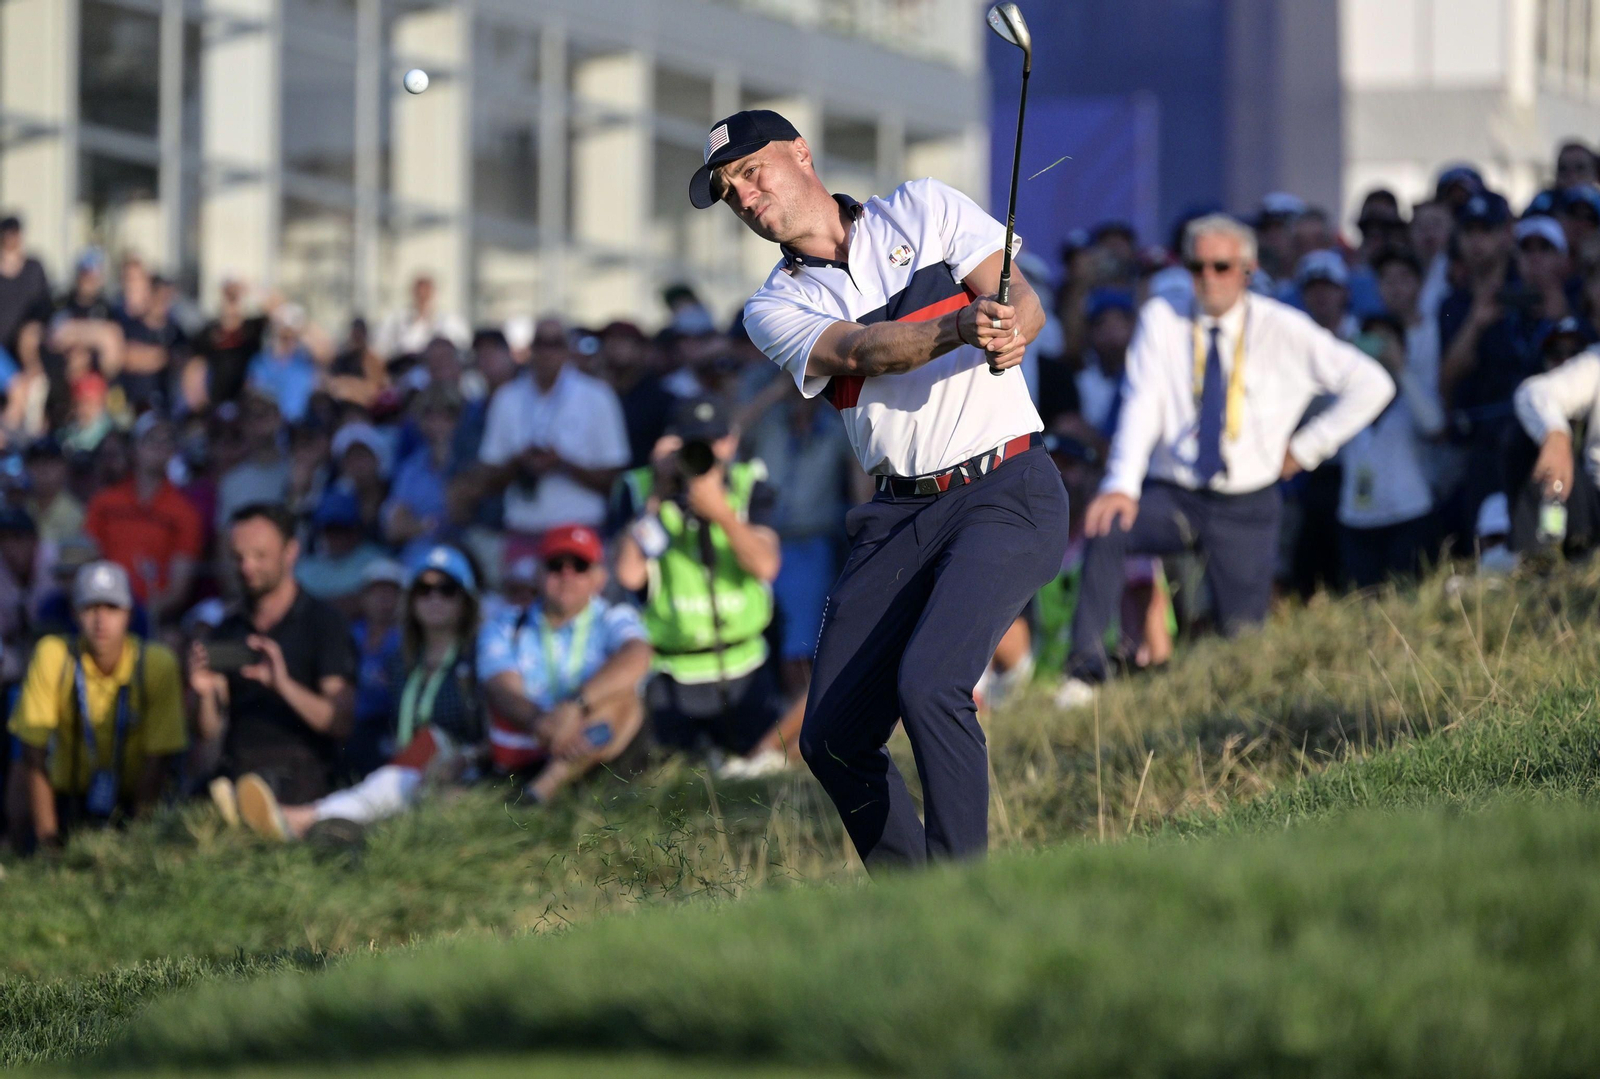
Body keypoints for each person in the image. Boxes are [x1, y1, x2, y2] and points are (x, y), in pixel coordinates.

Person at [697, 109, 1069, 868]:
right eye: (730, 189)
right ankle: (915, 899)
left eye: (750, 170)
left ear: (802, 152)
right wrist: (967, 328)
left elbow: (1023, 296)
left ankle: (964, 894)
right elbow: (866, 349)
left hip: (1007, 484)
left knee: (930, 685)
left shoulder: (924, 205)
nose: (744, 194)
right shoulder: (773, 305)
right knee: (830, 738)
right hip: (900, 512)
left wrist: (1013, 325)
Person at [1058, 214, 1393, 703]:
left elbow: (1373, 383)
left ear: (1248, 270)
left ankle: (1225, 716)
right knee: (1108, 522)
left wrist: (1306, 448)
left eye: (1221, 267)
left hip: (1247, 501)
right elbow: (1141, 401)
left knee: (1243, 643)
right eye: (1198, 267)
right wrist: (1122, 484)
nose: (1209, 279)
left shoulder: (1284, 327)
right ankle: (1083, 674)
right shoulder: (1162, 317)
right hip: (1175, 491)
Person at [234, 545, 484, 842]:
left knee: (392, 779)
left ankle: (297, 820)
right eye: (423, 589)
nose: (434, 598)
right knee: (382, 771)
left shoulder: (478, 657)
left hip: (461, 767)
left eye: (447, 589)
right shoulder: (402, 661)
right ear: (411, 599)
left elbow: (497, 735)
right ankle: (305, 819)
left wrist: (467, 758)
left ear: (466, 600)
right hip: (411, 761)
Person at [614, 395, 785, 762]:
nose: (706, 454)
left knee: (756, 776)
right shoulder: (642, 488)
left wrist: (721, 513)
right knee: (675, 782)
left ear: (731, 441)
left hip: (743, 664)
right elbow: (629, 574)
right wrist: (658, 495)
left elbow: (766, 566)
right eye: (695, 443)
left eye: (714, 442)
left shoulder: (748, 483)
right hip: (672, 672)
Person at [5, 561, 185, 850]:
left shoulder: (155, 664)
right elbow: (33, 753)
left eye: (112, 608)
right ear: (75, 613)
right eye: (90, 608)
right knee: (20, 756)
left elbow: (158, 760)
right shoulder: (53, 655)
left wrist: (138, 844)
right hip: (66, 799)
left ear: (129, 613)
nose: (101, 620)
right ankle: (19, 843)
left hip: (134, 800)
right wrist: (48, 840)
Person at [192, 503, 356, 806]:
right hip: (238, 772)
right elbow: (210, 733)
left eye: (260, 555)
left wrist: (282, 684)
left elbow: (340, 722)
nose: (247, 567)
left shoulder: (324, 623)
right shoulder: (227, 629)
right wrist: (204, 692)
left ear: (291, 551)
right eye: (238, 557)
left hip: (305, 777)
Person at [479, 525, 653, 804]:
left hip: (592, 740)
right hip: (533, 739)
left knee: (625, 697)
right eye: (556, 565)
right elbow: (502, 688)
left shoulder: (614, 616)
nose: (567, 575)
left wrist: (576, 704)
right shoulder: (505, 623)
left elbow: (638, 656)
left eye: (580, 566)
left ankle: (544, 789)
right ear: (537, 574)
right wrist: (543, 722)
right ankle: (543, 787)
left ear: (599, 577)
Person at [474, 318, 629, 553]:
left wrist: (563, 464)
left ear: (567, 349)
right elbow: (487, 476)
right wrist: (520, 463)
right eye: (541, 343)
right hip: (524, 528)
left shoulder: (597, 396)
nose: (547, 352)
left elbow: (615, 477)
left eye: (555, 344)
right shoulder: (507, 397)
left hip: (580, 530)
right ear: (531, 349)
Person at [1337, 315, 1446, 587]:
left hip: (1410, 514)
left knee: (1408, 596)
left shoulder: (1415, 389)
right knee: (1363, 602)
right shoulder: (1345, 394)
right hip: (1357, 518)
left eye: (1387, 340)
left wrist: (1402, 369)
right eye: (1371, 340)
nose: (1380, 348)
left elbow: (1435, 427)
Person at [83, 414, 203, 625]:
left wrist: (139, 614)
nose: (160, 446)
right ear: (134, 448)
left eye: (167, 441)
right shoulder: (104, 503)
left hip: (153, 617)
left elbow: (178, 588)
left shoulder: (185, 512)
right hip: (103, 608)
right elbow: (87, 558)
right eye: (151, 439)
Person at [1507, 317, 1600, 557]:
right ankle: (1541, 558)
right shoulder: (1592, 367)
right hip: (1591, 508)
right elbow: (1533, 393)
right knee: (1527, 436)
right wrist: (1555, 434)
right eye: (1556, 353)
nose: (1566, 362)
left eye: (1575, 353)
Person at [343, 557, 406, 779]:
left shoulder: (406, 639)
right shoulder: (351, 633)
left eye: (391, 592)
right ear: (363, 597)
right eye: (376, 592)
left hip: (387, 726)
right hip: (348, 724)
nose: (384, 600)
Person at [372, 273, 469, 360]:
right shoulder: (396, 320)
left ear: (433, 293)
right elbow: (379, 348)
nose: (422, 297)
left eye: (426, 292)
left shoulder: (449, 321)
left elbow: (462, 346)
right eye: (419, 293)